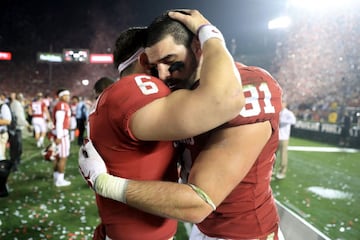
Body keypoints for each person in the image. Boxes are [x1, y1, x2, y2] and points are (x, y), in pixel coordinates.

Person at [80, 9, 283, 240]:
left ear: (198, 48)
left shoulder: (250, 85)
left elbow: (199, 202)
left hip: (241, 231)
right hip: (203, 226)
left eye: (170, 61)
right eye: (157, 66)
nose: (164, 74)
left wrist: (105, 183)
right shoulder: (180, 92)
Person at [51, 89, 72, 187]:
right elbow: (59, 122)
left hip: (59, 133)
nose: (68, 97)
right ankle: (60, 180)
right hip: (62, 134)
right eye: (66, 95)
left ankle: (56, 177)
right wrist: (59, 136)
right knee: (63, 157)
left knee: (57, 156)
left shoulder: (60, 105)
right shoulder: (62, 105)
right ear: (61, 96)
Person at [9, 92, 31, 171]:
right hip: (15, 128)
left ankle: (16, 162)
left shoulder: (16, 103)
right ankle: (14, 164)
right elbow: (19, 117)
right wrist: (27, 125)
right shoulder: (17, 104)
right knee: (17, 147)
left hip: (14, 127)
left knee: (16, 147)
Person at [276, 100, 296, 180]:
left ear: (285, 104)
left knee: (283, 154)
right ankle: (271, 170)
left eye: (282, 103)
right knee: (273, 155)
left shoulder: (289, 113)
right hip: (276, 136)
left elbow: (293, 121)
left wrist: (282, 121)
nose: (281, 104)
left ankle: (282, 172)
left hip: (284, 137)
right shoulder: (277, 112)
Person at [0, 92, 12, 197]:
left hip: (0, 135)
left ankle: (3, 187)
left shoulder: (2, 106)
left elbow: (8, 121)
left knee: (0, 161)